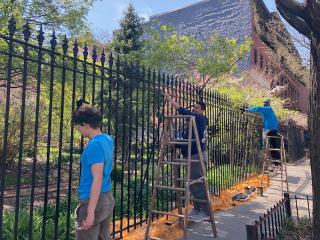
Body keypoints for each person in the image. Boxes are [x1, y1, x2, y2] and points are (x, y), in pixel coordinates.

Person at [164, 92, 210, 223]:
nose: (194, 109)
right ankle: (197, 208)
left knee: (198, 184)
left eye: (197, 108)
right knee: (192, 184)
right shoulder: (192, 124)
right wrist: (174, 143)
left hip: (197, 156)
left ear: (202, 111)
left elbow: (182, 110)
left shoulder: (199, 119)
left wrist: (170, 99)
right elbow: (187, 140)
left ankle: (205, 211)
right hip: (192, 156)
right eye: (193, 107)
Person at [73, 100, 115, 240]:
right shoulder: (107, 139)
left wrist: (90, 212)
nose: (78, 129)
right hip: (106, 197)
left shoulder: (94, 146)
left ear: (85, 124)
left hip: (94, 201)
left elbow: (96, 179)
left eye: (78, 126)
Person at [246, 98, 281, 167]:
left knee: (272, 146)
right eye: (263, 102)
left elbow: (258, 108)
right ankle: (276, 163)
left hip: (271, 129)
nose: (264, 103)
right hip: (271, 129)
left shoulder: (268, 109)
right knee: (272, 145)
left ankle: (276, 163)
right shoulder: (269, 110)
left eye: (265, 102)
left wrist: (248, 109)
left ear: (268, 103)